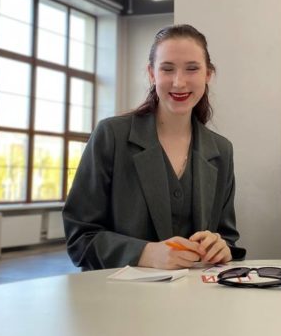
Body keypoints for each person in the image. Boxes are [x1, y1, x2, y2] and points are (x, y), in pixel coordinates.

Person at [63, 24, 245, 270]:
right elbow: (80, 237)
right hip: (119, 293)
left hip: (196, 292)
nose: (179, 82)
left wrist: (221, 247)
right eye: (167, 69)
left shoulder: (221, 150)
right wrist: (144, 254)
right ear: (152, 73)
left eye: (192, 68)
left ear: (208, 75)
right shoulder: (111, 136)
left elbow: (227, 237)